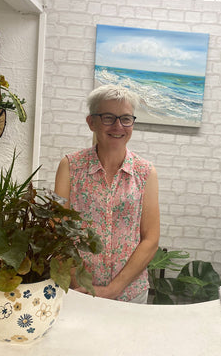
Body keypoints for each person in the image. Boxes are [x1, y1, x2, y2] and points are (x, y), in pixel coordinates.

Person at [54, 84, 160, 303]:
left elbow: (150, 239)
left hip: (130, 293)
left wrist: (113, 289)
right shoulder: (70, 166)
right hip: (78, 291)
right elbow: (58, 231)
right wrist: (79, 283)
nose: (118, 126)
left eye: (126, 119)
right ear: (91, 122)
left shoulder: (145, 172)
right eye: (108, 117)